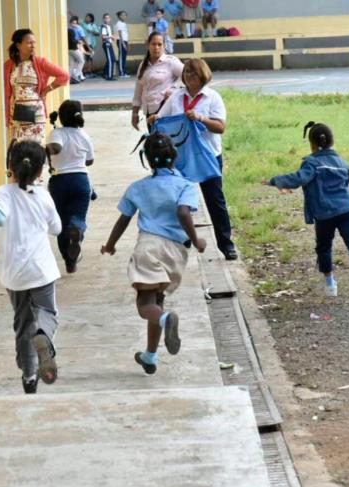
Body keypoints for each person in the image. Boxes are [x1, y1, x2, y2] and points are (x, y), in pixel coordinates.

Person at [100, 133, 207, 375]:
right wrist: (196, 240)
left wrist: (110, 245)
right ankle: (150, 355)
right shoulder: (185, 185)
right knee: (157, 303)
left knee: (145, 305)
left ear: (147, 160)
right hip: (176, 252)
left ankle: (166, 319)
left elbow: (124, 219)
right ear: (175, 157)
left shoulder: (138, 187)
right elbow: (184, 212)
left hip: (149, 248)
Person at [0, 141, 62, 394]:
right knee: (47, 313)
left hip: (14, 274)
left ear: (11, 166)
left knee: (23, 324)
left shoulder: (3, 192)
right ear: (40, 170)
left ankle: (29, 376)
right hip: (41, 270)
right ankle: (44, 336)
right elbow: (57, 229)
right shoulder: (44, 196)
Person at [262, 122, 349, 304]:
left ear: (312, 144)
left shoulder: (311, 163)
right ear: (332, 142)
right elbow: (345, 184)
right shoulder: (343, 163)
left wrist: (274, 181)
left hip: (325, 213)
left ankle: (330, 284)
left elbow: (298, 178)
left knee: (324, 246)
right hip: (348, 209)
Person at [153, 58, 236, 260]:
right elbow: (162, 119)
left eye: (194, 72)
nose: (190, 75)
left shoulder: (212, 97)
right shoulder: (176, 97)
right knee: (179, 201)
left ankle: (226, 245)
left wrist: (201, 118)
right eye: (187, 72)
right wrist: (154, 119)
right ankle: (183, 238)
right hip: (181, 158)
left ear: (203, 74)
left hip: (207, 155)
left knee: (215, 200)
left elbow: (220, 127)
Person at [46, 100, 94, 274]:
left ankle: (69, 262)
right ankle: (77, 230)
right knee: (78, 216)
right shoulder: (84, 136)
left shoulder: (56, 133)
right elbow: (90, 160)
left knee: (61, 220)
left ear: (60, 116)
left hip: (59, 182)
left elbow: (55, 148)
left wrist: (49, 149)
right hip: (81, 181)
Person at [4, 28, 70, 145]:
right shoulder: (9, 65)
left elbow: (64, 75)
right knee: (17, 149)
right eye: (29, 43)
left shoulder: (40, 62)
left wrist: (46, 90)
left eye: (34, 43)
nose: (33, 46)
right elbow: (6, 91)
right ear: (18, 45)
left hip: (35, 115)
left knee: (34, 149)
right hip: (16, 116)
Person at [132, 32, 184, 129]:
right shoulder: (143, 65)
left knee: (165, 138)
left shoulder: (171, 62)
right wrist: (135, 113)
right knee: (153, 137)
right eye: (153, 44)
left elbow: (191, 77)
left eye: (159, 44)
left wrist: (176, 91)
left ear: (164, 46)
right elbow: (138, 90)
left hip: (165, 111)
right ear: (147, 45)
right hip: (149, 112)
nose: (156, 47)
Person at [99, 13, 118, 81]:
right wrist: (111, 36)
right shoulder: (104, 26)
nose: (107, 19)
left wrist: (112, 38)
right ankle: (109, 76)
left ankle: (104, 73)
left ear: (110, 19)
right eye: (105, 18)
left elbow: (108, 36)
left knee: (113, 59)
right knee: (110, 60)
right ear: (103, 19)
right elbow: (103, 37)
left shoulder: (108, 27)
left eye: (108, 18)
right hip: (106, 44)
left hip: (109, 43)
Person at [115, 11, 130, 78]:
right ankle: (121, 73)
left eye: (125, 15)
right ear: (119, 16)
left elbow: (125, 34)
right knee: (121, 57)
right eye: (122, 15)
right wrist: (123, 44)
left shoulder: (124, 24)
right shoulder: (119, 23)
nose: (124, 16)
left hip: (125, 41)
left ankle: (124, 72)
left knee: (124, 57)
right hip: (121, 41)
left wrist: (127, 43)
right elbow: (120, 34)